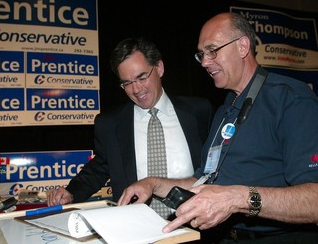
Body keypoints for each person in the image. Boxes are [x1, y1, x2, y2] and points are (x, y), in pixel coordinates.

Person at [119, 13, 318, 243]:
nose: (204, 62)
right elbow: (203, 181)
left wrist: (237, 198)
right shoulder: (226, 108)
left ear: (243, 46)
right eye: (201, 54)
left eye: (212, 50)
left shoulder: (291, 99)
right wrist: (152, 184)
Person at [47, 37, 213, 218]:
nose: (136, 89)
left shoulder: (199, 112)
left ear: (159, 68)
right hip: (136, 228)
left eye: (141, 77)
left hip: (194, 224)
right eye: (127, 83)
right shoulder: (110, 124)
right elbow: (100, 168)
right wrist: (72, 192)